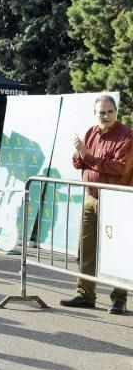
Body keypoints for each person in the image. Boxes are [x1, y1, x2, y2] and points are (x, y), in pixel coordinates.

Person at [62, 94, 132, 315]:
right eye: (102, 112)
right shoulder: (91, 132)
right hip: (90, 197)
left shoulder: (127, 135)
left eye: (110, 111)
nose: (106, 115)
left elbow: (118, 167)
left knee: (117, 251)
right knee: (86, 249)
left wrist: (87, 155)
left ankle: (119, 299)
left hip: (116, 199)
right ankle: (85, 295)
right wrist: (79, 152)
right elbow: (77, 163)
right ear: (95, 114)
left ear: (116, 112)